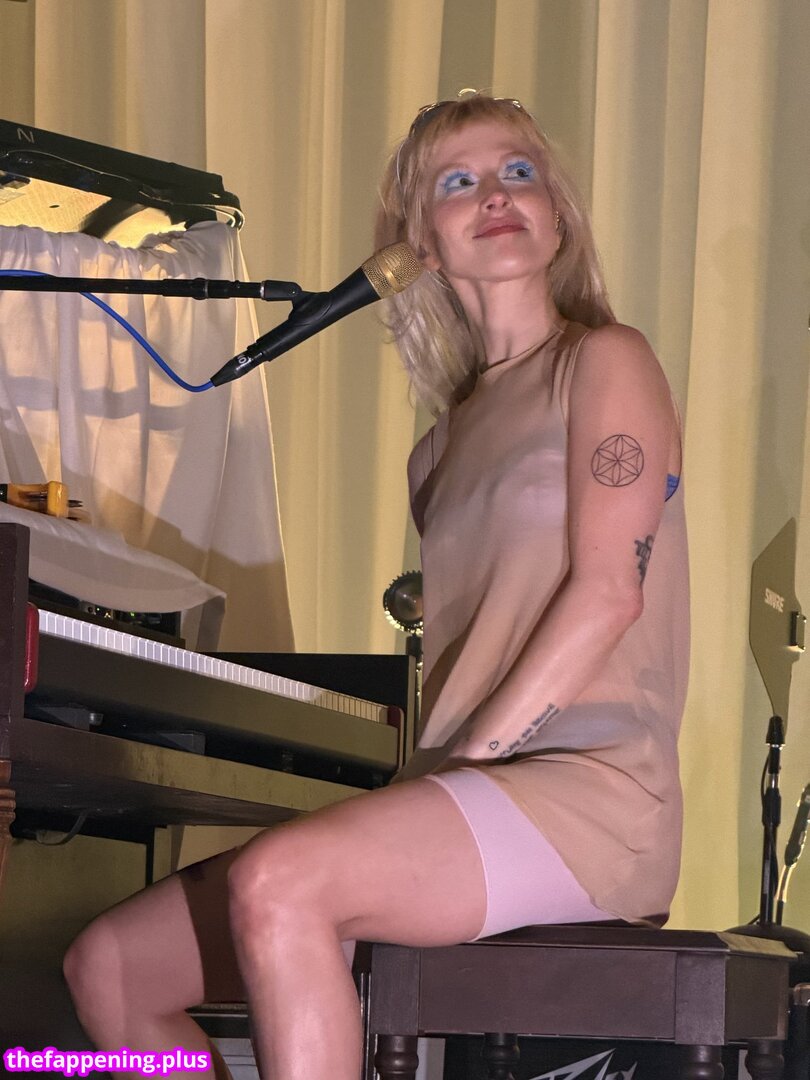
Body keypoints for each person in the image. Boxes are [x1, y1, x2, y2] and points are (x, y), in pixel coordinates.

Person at [63, 92, 689, 1080]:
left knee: (283, 879)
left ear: (559, 217)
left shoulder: (604, 360)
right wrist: (438, 775)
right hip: (462, 787)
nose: (495, 194)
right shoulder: (434, 454)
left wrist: (467, 756)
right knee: (110, 967)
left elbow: (609, 593)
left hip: (590, 794)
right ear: (418, 243)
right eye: (458, 182)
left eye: (518, 172)